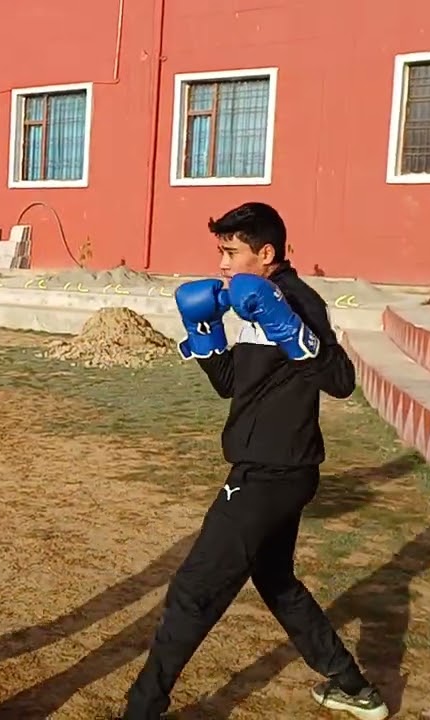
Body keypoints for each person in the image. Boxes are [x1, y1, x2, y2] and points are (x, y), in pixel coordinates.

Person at [120, 202, 389, 720]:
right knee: (277, 581)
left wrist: (294, 332)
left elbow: (341, 382)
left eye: (230, 251)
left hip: (270, 473)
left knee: (193, 592)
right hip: (273, 469)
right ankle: (352, 686)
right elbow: (232, 387)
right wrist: (204, 335)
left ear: (266, 253)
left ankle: (141, 710)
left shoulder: (295, 301)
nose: (221, 264)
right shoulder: (251, 302)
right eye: (219, 251)